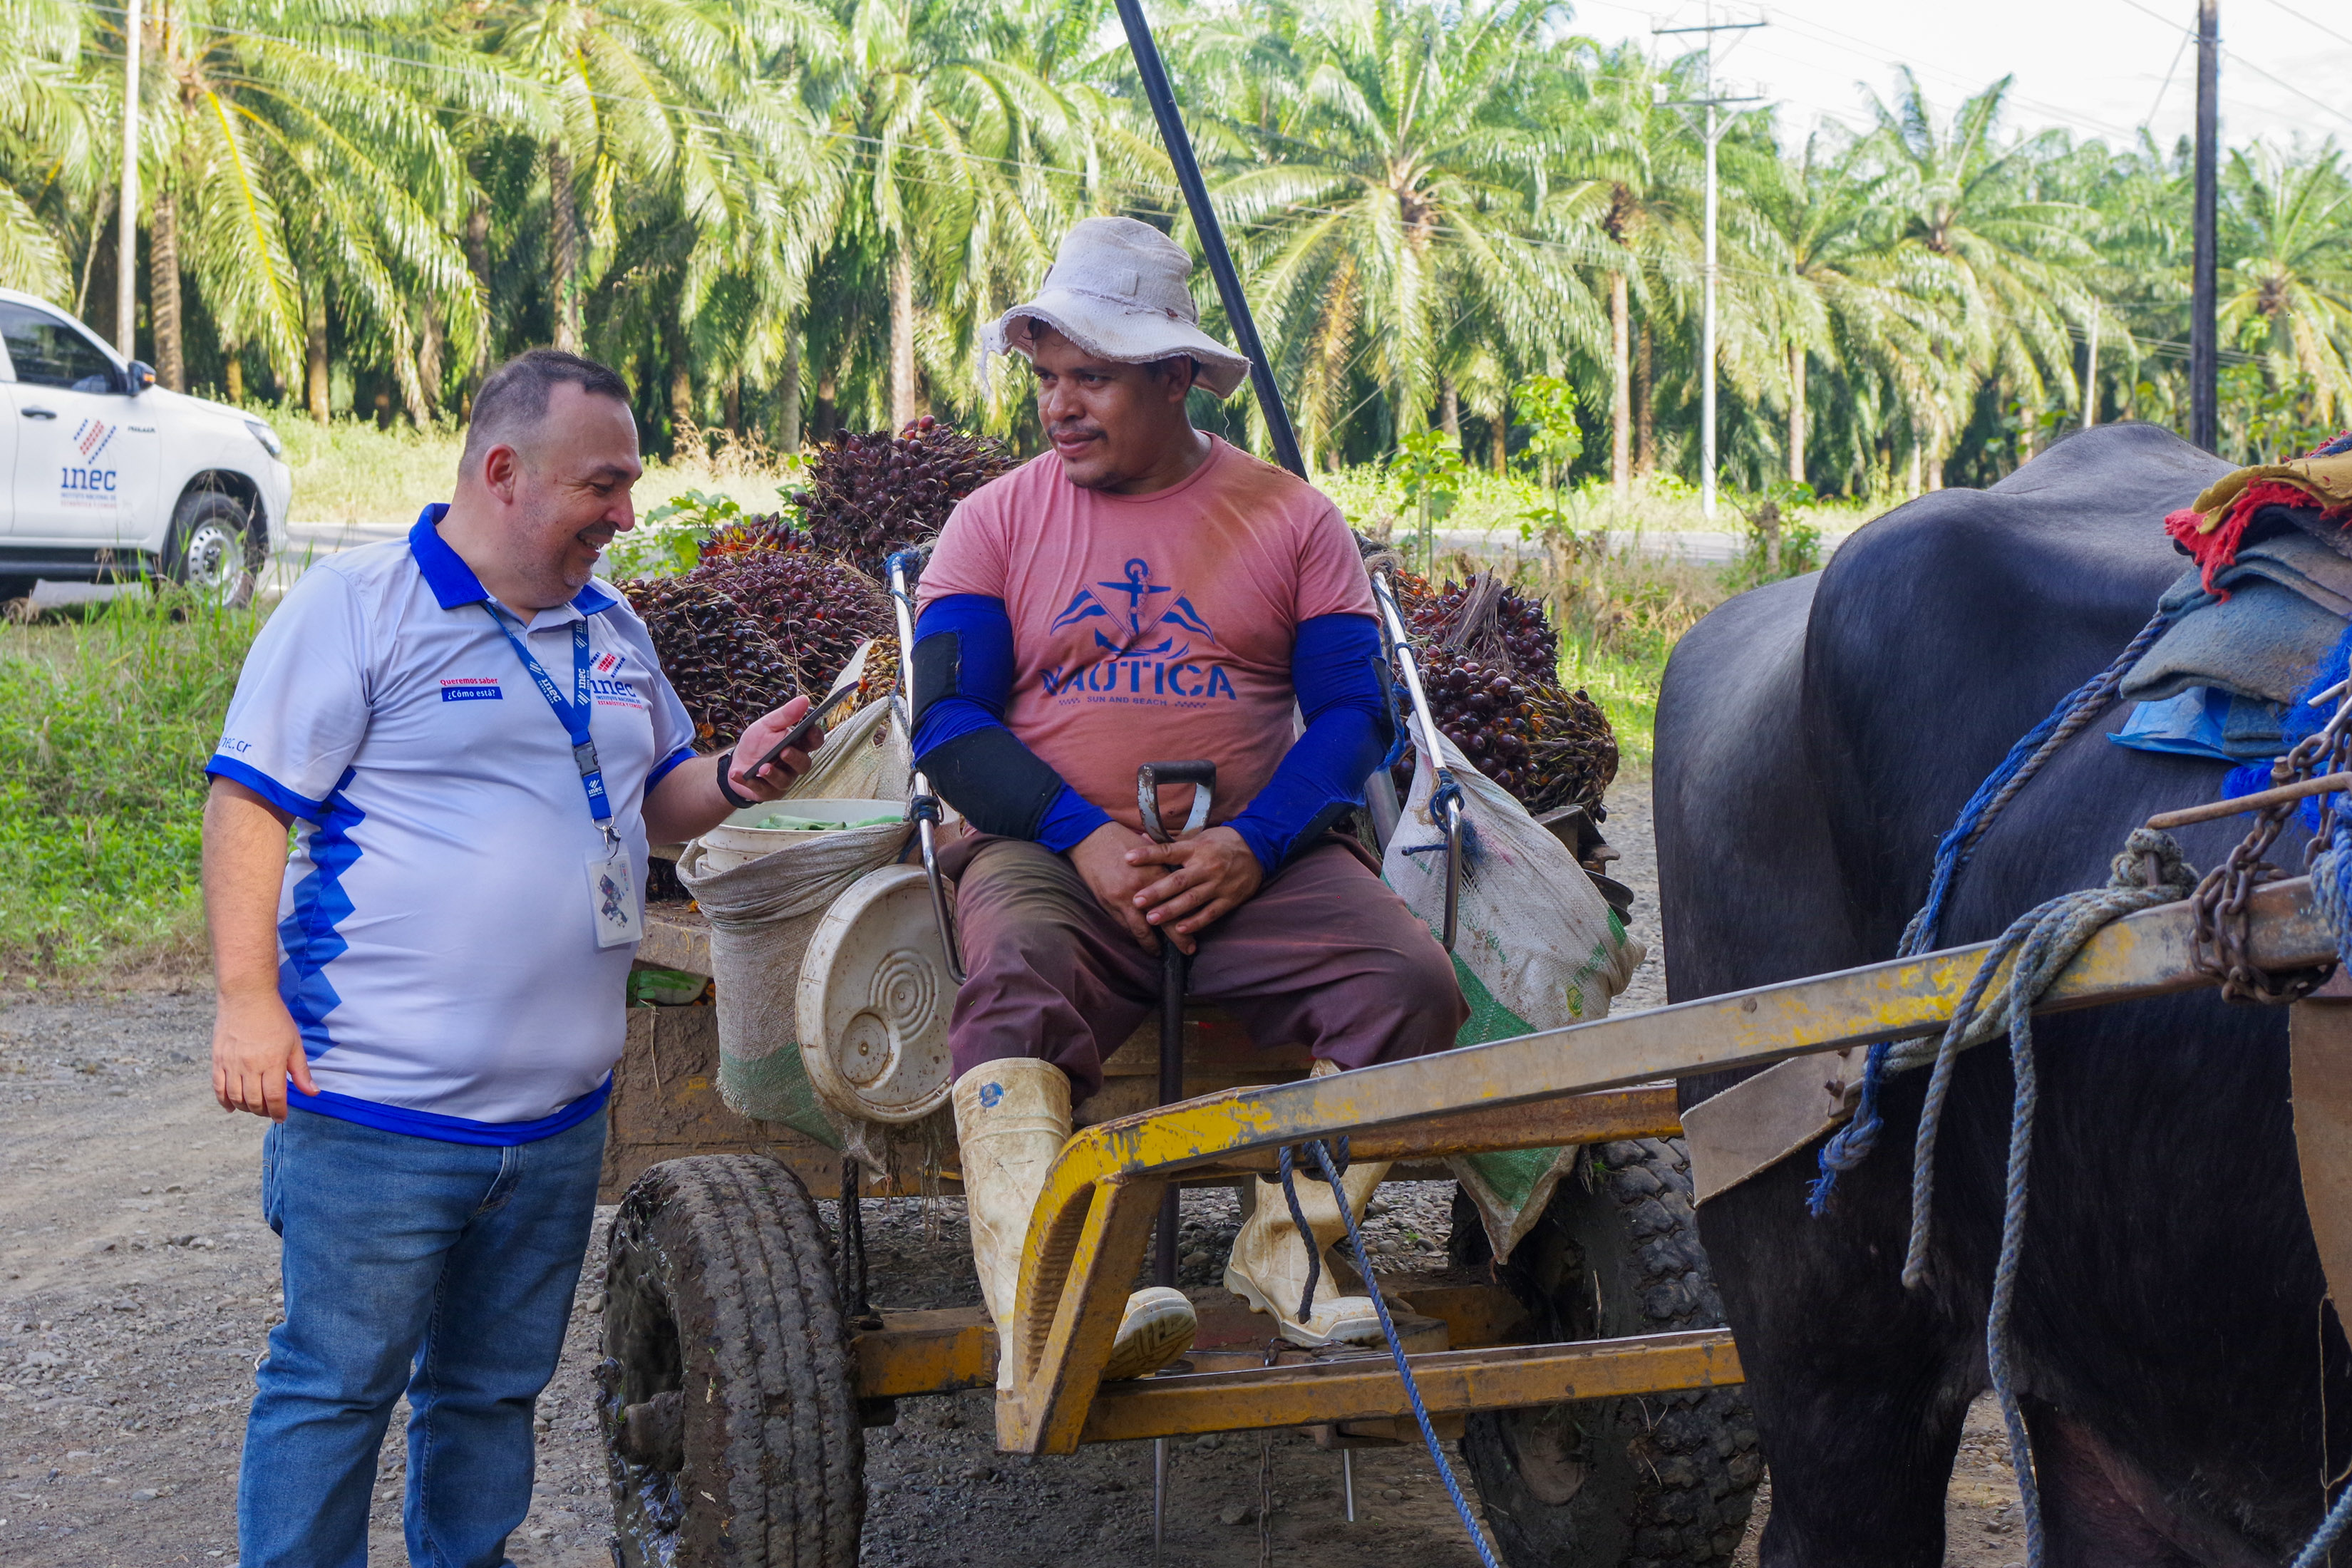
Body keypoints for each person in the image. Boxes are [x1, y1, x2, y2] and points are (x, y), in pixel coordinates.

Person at [203, 349, 822, 1567]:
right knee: (336, 1388)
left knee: (489, 1394)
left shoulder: (612, 623)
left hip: (553, 1125)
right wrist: (245, 1000)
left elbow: (655, 800)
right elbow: (250, 801)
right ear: (504, 471)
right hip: (378, 1112)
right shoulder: (360, 606)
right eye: (605, 485)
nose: (626, 515)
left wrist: (737, 779)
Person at [912, 217, 1468, 1383]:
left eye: (1094, 379)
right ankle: (1049, 1310)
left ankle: (1290, 1255)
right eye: (1049, 378)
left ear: (1176, 379)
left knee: (1407, 983)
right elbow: (950, 726)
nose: (1061, 407)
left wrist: (1254, 847)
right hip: (1051, 854)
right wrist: (1085, 836)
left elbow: (1352, 718)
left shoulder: (1290, 519)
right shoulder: (995, 522)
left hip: (1253, 859)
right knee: (1009, 983)